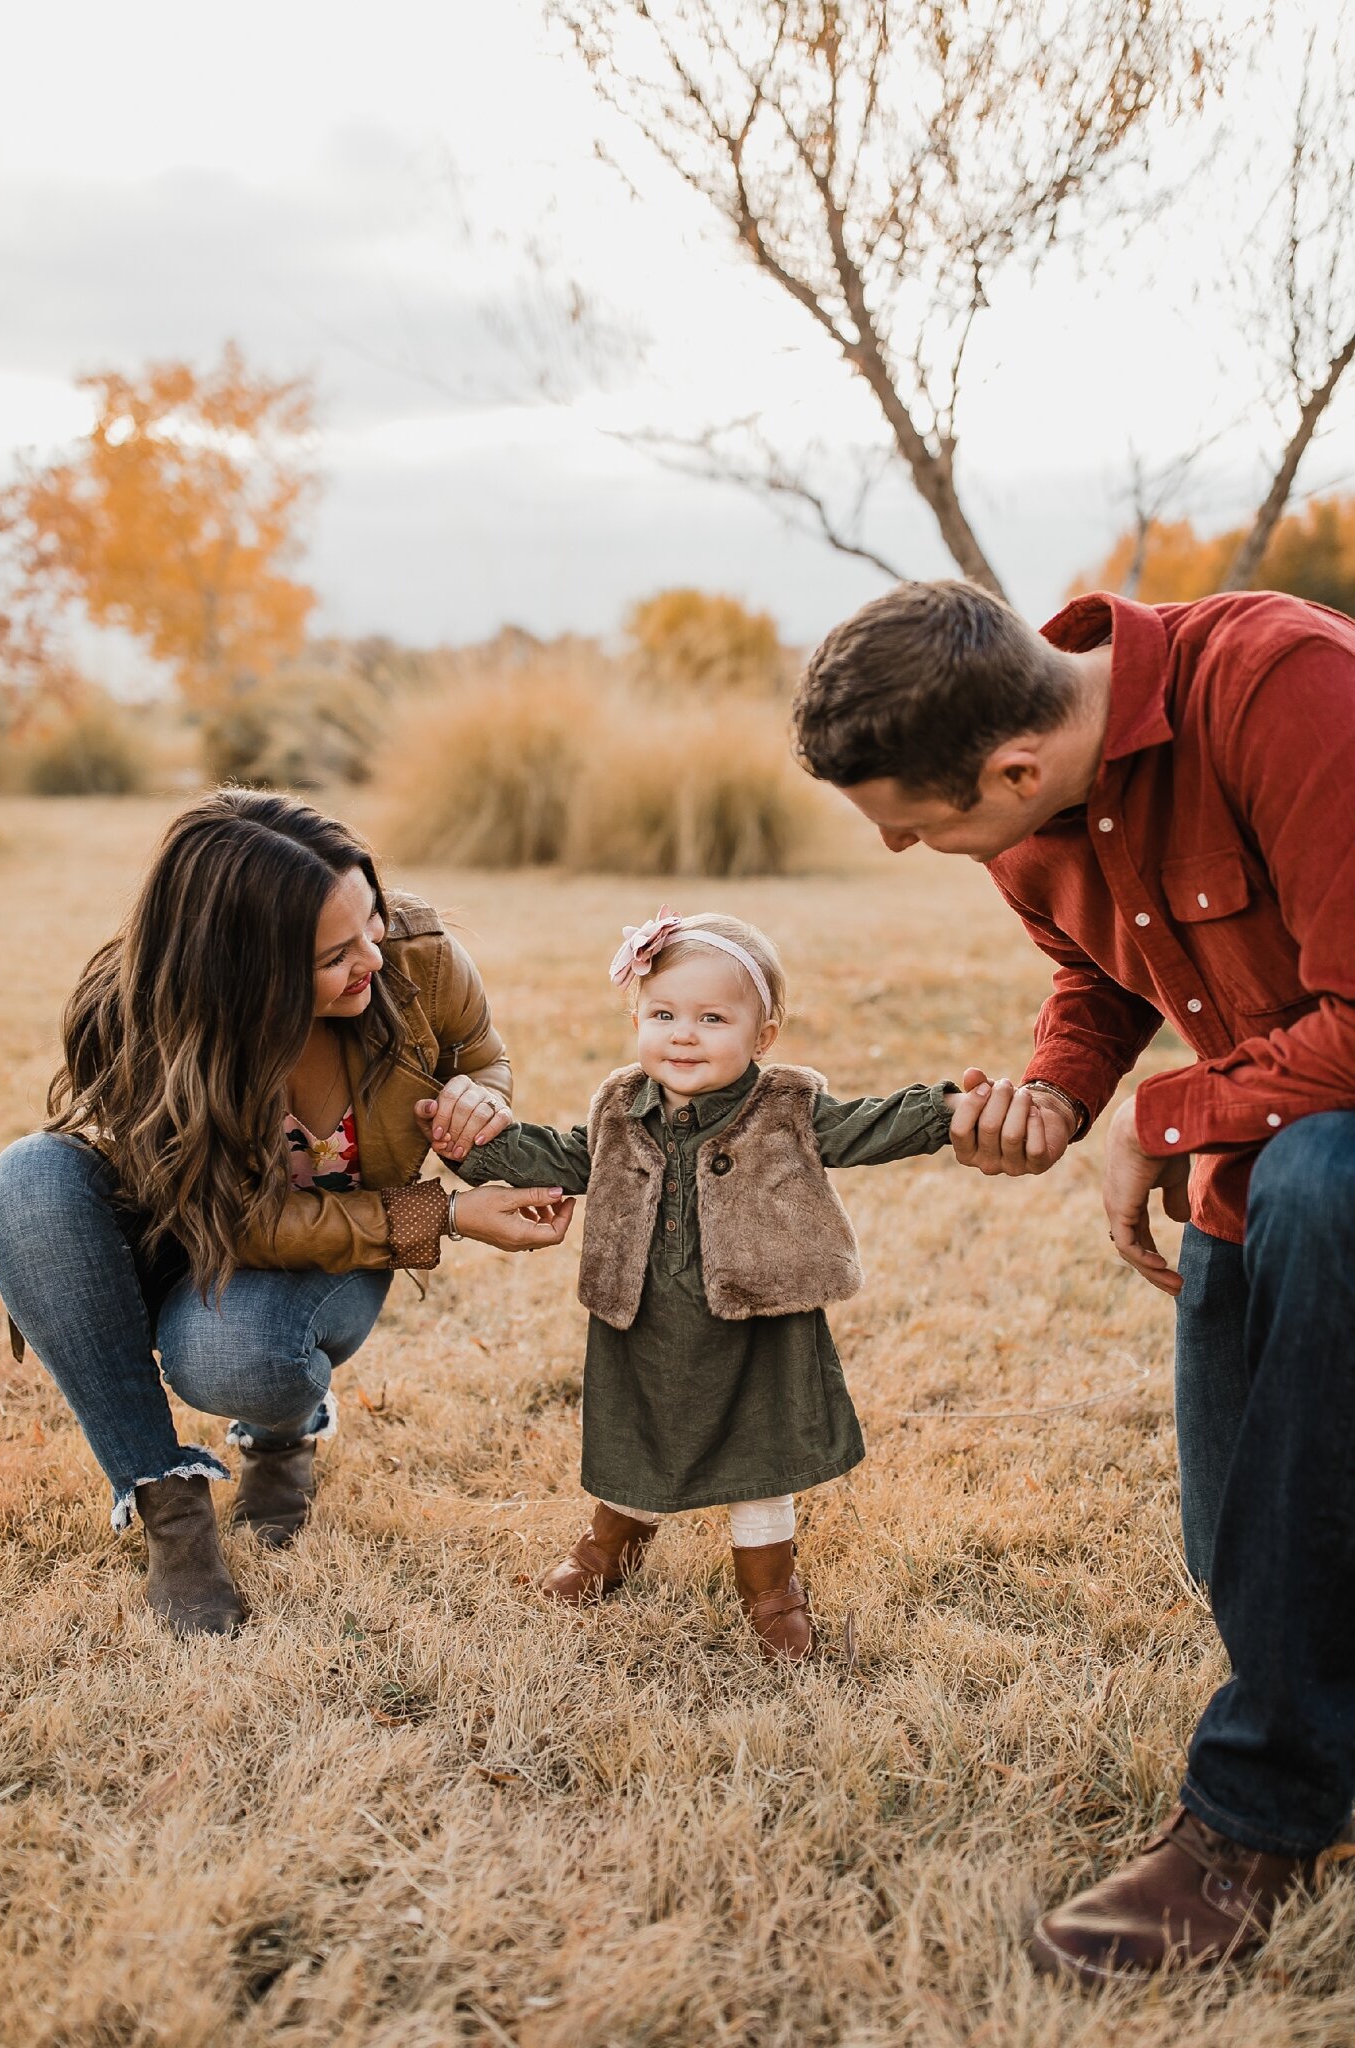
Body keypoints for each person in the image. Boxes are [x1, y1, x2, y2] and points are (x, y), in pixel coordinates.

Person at [793, 576, 1355, 1978]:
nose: (910, 846)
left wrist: (1164, 1123)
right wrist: (1059, 1093)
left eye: (917, 824)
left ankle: (1253, 1827)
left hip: (1324, 1160)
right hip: (1269, 1151)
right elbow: (1100, 973)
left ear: (1016, 768)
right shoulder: (1038, 785)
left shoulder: (1288, 687)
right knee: (1252, 1561)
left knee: (1317, 1178)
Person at [0, 790, 574, 1639]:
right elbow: (237, 1220)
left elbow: (481, 1053)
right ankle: (172, 1514)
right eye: (336, 954)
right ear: (242, 970)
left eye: (370, 921)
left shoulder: (416, 959)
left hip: (330, 1247)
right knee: (27, 1174)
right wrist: (446, 1214)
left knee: (231, 1355)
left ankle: (281, 1436)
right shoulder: (139, 1013)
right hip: (195, 1227)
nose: (373, 958)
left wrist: (477, 1097)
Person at [435, 906, 958, 1662]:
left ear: (761, 1036)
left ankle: (770, 1591)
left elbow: (867, 1125)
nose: (683, 1033)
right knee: (638, 1432)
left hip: (757, 1316)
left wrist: (946, 1111)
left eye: (712, 1017)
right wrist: (473, 1149)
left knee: (760, 1450)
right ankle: (606, 1549)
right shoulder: (620, 1106)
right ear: (636, 1017)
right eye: (663, 1014)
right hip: (643, 1314)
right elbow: (556, 1155)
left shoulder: (785, 1106)